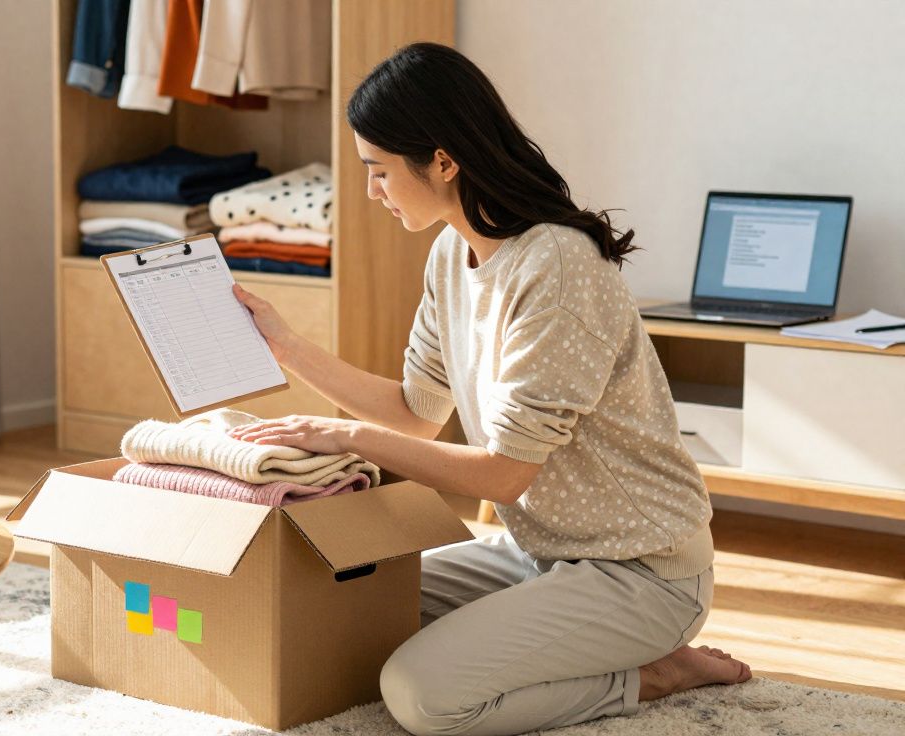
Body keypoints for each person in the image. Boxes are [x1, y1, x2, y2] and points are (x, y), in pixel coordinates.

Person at [227, 42, 752, 736]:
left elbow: (505, 474)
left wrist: (345, 435)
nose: (369, 192)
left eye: (378, 171)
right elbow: (417, 414)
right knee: (340, 616)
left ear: (443, 161)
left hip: (642, 572)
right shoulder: (452, 251)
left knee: (424, 695)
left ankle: (654, 673)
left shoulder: (558, 266)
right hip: (534, 553)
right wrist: (287, 347)